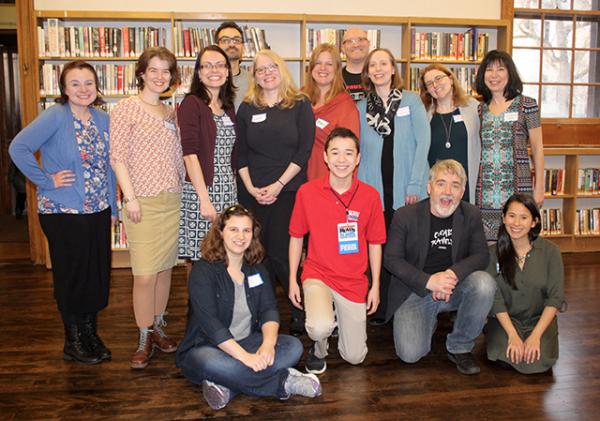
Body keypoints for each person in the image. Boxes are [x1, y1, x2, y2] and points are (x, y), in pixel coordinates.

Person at [9, 60, 116, 364]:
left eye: (89, 83)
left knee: (95, 275)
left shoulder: (102, 119)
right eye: (75, 84)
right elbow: (18, 147)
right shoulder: (55, 116)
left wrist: (111, 206)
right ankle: (73, 341)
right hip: (62, 211)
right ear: (64, 89)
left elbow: (108, 166)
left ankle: (90, 334)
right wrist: (45, 180)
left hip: (96, 210)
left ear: (97, 87)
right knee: (72, 275)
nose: (83, 89)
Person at [177, 205, 321, 410]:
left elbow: (269, 310)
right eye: (233, 229)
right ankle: (283, 382)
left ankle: (227, 385)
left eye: (246, 230)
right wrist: (246, 358)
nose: (240, 236)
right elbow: (211, 325)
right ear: (220, 232)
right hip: (207, 347)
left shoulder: (256, 269)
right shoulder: (203, 270)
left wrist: (268, 344)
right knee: (213, 364)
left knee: (294, 347)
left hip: (248, 341)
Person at [110, 47, 185, 369]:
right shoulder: (126, 109)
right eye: (153, 70)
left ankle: (157, 326)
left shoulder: (173, 114)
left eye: (166, 71)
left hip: (173, 199)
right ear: (141, 73)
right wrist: (130, 198)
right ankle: (143, 336)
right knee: (143, 274)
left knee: (165, 269)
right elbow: (118, 157)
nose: (159, 76)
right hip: (142, 201)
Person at [289, 128, 386, 374]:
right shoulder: (307, 192)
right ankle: (319, 348)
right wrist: (292, 279)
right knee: (319, 327)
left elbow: (375, 242)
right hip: (317, 274)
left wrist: (375, 285)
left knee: (355, 357)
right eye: (335, 153)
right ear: (325, 157)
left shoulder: (370, 196)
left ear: (358, 158)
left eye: (348, 153)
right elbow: (296, 236)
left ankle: (337, 314)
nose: (341, 160)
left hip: (353, 280)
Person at [385, 159, 496, 375]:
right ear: (429, 187)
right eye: (441, 183)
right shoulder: (404, 215)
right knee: (410, 355)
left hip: (453, 287)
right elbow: (391, 259)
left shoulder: (471, 214)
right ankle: (428, 320)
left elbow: (481, 255)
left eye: (455, 185)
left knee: (484, 283)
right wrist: (428, 281)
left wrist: (451, 274)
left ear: (463, 191)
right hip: (416, 290)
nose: (448, 192)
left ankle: (460, 346)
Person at [236, 50, 315, 336]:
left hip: (288, 191)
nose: (267, 73)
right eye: (260, 69)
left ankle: (299, 309)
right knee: (257, 256)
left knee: (282, 254)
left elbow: (304, 150)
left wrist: (278, 185)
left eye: (272, 67)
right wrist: (250, 189)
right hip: (252, 193)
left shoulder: (300, 104)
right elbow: (240, 154)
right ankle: (265, 312)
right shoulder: (247, 108)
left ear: (281, 69)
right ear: (254, 76)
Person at [357, 47, 430, 325]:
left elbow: (424, 142)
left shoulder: (411, 100)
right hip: (374, 191)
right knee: (378, 247)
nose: (377, 69)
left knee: (406, 250)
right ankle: (380, 306)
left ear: (392, 68)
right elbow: (359, 149)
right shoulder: (362, 107)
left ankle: (408, 307)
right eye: (372, 65)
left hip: (406, 191)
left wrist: (415, 182)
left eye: (383, 63)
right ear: (367, 72)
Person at [486, 194, 565, 374]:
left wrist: (536, 336)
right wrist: (513, 335)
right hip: (506, 321)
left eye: (524, 217)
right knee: (506, 355)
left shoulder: (551, 252)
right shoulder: (492, 254)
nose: (516, 223)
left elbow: (555, 298)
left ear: (534, 222)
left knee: (536, 361)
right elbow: (495, 299)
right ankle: (498, 334)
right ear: (503, 218)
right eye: (511, 216)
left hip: (539, 320)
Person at [474, 50, 545, 241]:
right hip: (486, 190)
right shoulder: (479, 109)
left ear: (510, 73)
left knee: (519, 240)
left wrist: (539, 186)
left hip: (517, 187)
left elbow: (538, 147)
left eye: (500, 69)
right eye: (489, 70)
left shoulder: (526, 105)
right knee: (489, 243)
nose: (494, 75)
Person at [177, 45, 237, 265]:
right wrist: (205, 200)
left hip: (228, 191)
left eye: (220, 65)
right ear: (199, 73)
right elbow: (190, 155)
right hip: (202, 191)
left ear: (228, 71)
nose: (215, 70)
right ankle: (198, 301)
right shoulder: (191, 104)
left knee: (224, 253)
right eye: (207, 66)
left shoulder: (228, 107)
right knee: (201, 256)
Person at [419, 63, 480, 204]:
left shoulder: (473, 108)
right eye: (429, 83)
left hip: (466, 186)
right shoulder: (424, 114)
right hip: (437, 189)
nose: (435, 85)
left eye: (439, 78)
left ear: (451, 79)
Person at [303, 43, 360, 180]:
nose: (323, 68)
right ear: (311, 68)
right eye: (318, 63)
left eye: (329, 64)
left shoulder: (346, 106)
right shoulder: (300, 98)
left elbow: (350, 151)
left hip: (330, 179)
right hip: (296, 179)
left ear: (336, 69)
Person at [216, 21, 249, 110]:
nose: (231, 44)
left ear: (243, 47)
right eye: (225, 40)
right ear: (217, 46)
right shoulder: (209, 80)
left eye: (236, 40)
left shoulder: (253, 81)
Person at [341, 27, 370, 101]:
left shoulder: (378, 75)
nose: (356, 45)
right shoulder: (335, 78)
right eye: (350, 41)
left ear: (368, 44)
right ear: (343, 48)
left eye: (360, 39)